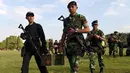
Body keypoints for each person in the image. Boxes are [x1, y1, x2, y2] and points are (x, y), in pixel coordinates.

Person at [59, 1, 90, 73]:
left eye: (72, 7)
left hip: (78, 44)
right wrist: (61, 45)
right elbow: (64, 33)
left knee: (75, 65)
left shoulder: (81, 17)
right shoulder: (66, 20)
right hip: (69, 45)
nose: (70, 8)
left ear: (76, 8)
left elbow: (87, 30)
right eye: (69, 7)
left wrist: (76, 30)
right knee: (72, 65)